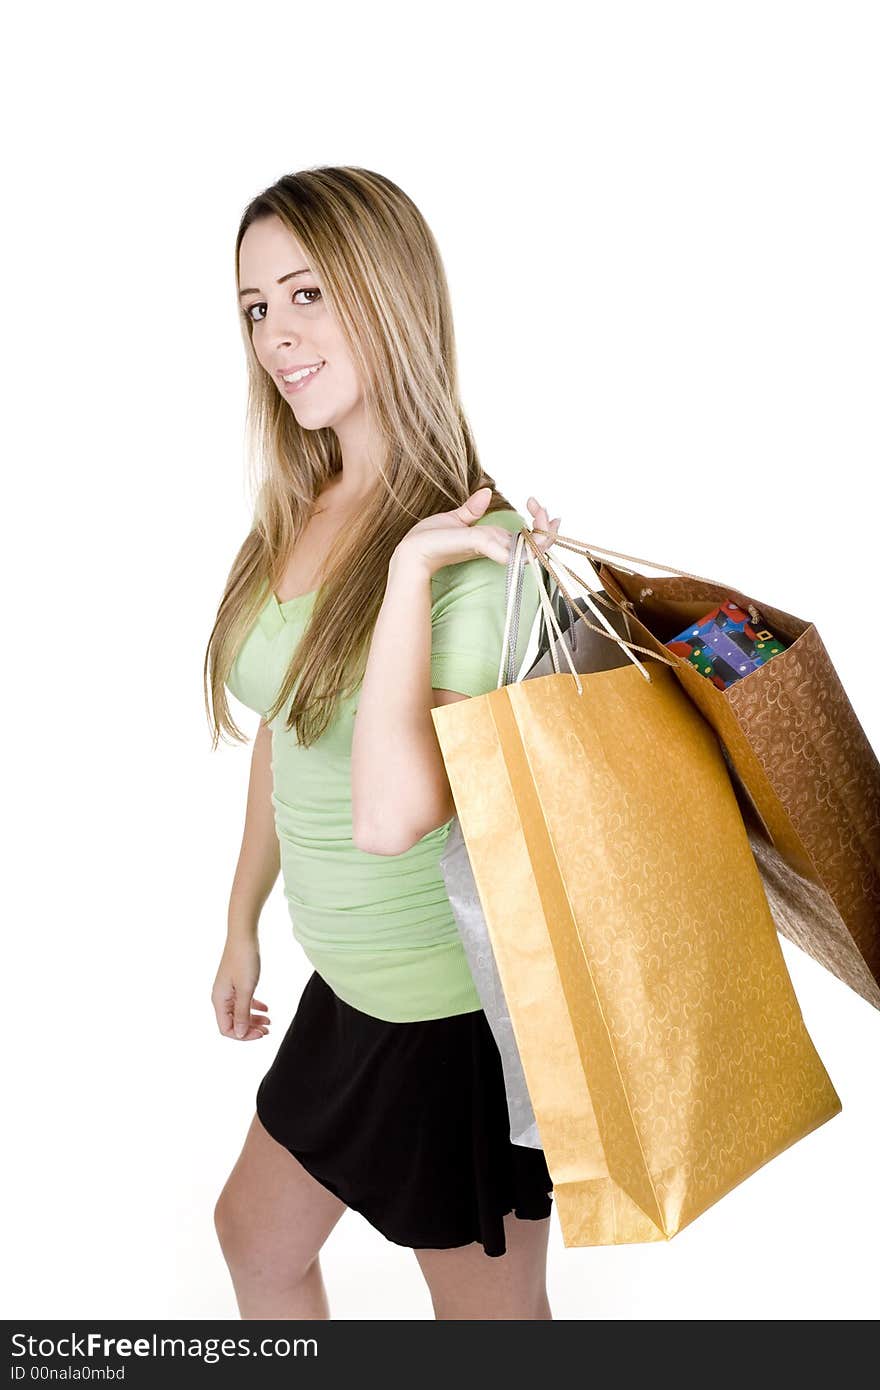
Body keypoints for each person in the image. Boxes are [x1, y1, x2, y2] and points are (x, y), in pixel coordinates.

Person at [204, 166, 562, 1321]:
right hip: (349, 991)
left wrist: (410, 572)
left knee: (491, 1330)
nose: (276, 335)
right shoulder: (298, 511)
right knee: (255, 1239)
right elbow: (287, 733)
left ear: (386, 293)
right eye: (256, 306)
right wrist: (239, 919)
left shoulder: (473, 550)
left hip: (450, 1019)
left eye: (306, 294)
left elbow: (395, 814)